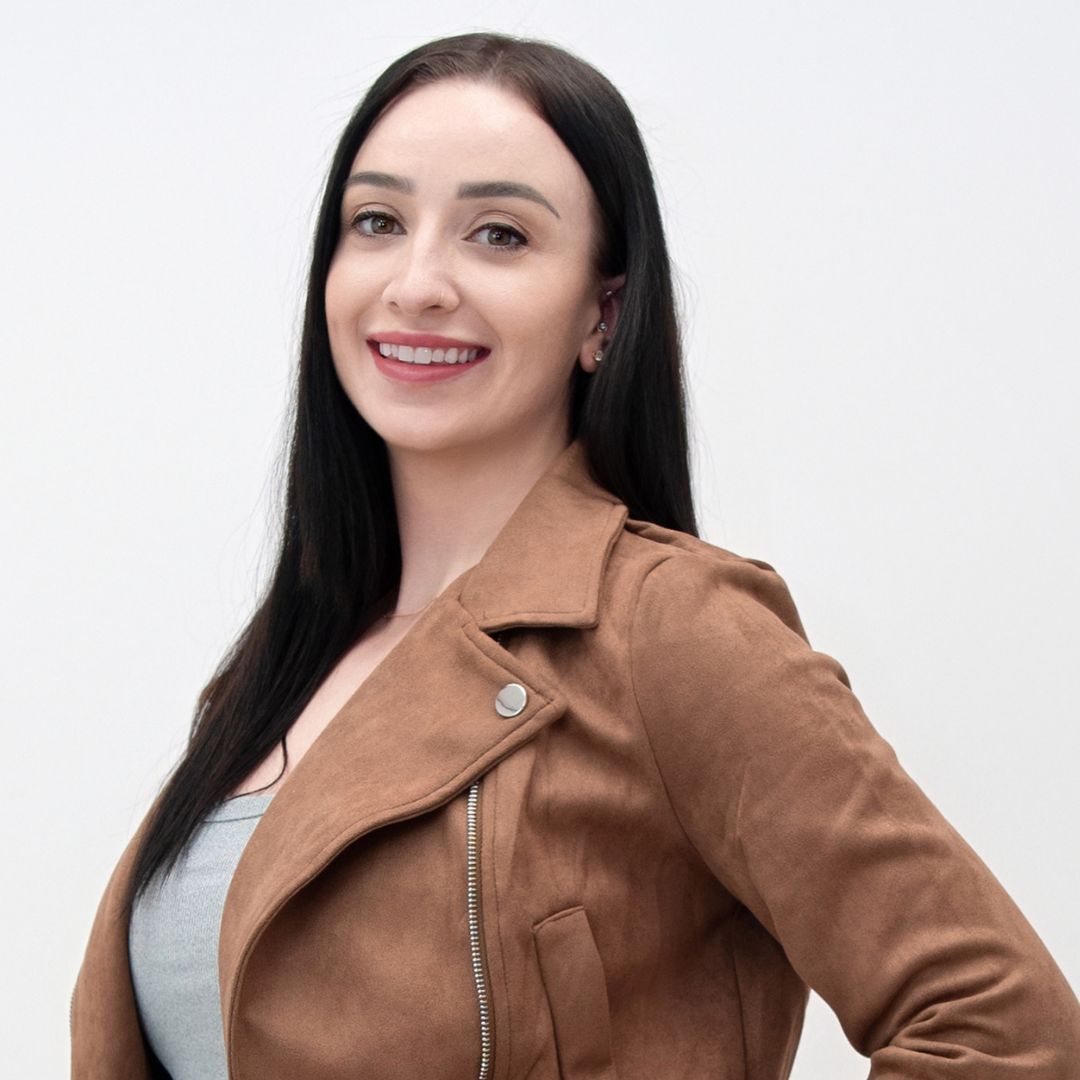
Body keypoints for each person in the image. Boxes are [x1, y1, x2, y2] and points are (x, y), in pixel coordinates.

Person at [70, 30, 1080, 1080]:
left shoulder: (667, 630)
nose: (417, 282)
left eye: (498, 235)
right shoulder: (275, 673)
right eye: (377, 222)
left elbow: (1008, 1036)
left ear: (605, 312)